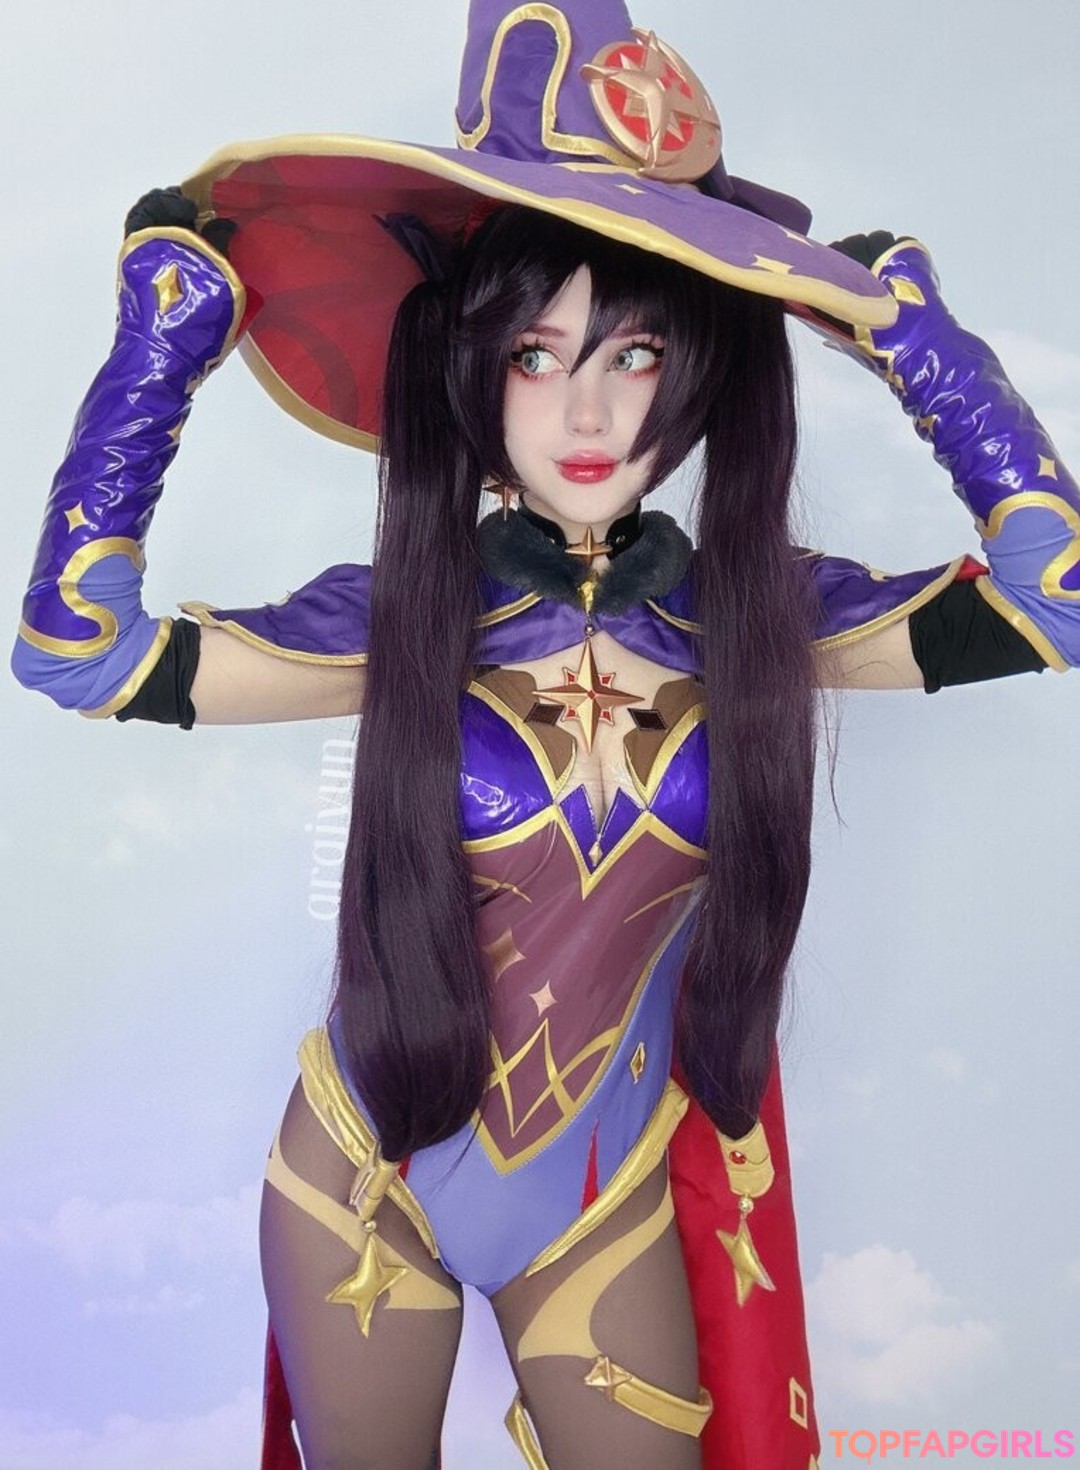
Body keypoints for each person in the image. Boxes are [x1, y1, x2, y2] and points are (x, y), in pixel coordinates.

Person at [12, 3, 1078, 1468]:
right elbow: (80, 650)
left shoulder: (757, 617)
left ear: (701, 368)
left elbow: (1052, 595)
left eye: (635, 352)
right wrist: (160, 346)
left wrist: (914, 341)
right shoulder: (407, 614)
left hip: (600, 1195)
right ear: (471, 365)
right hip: (363, 1178)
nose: (586, 407)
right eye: (534, 351)